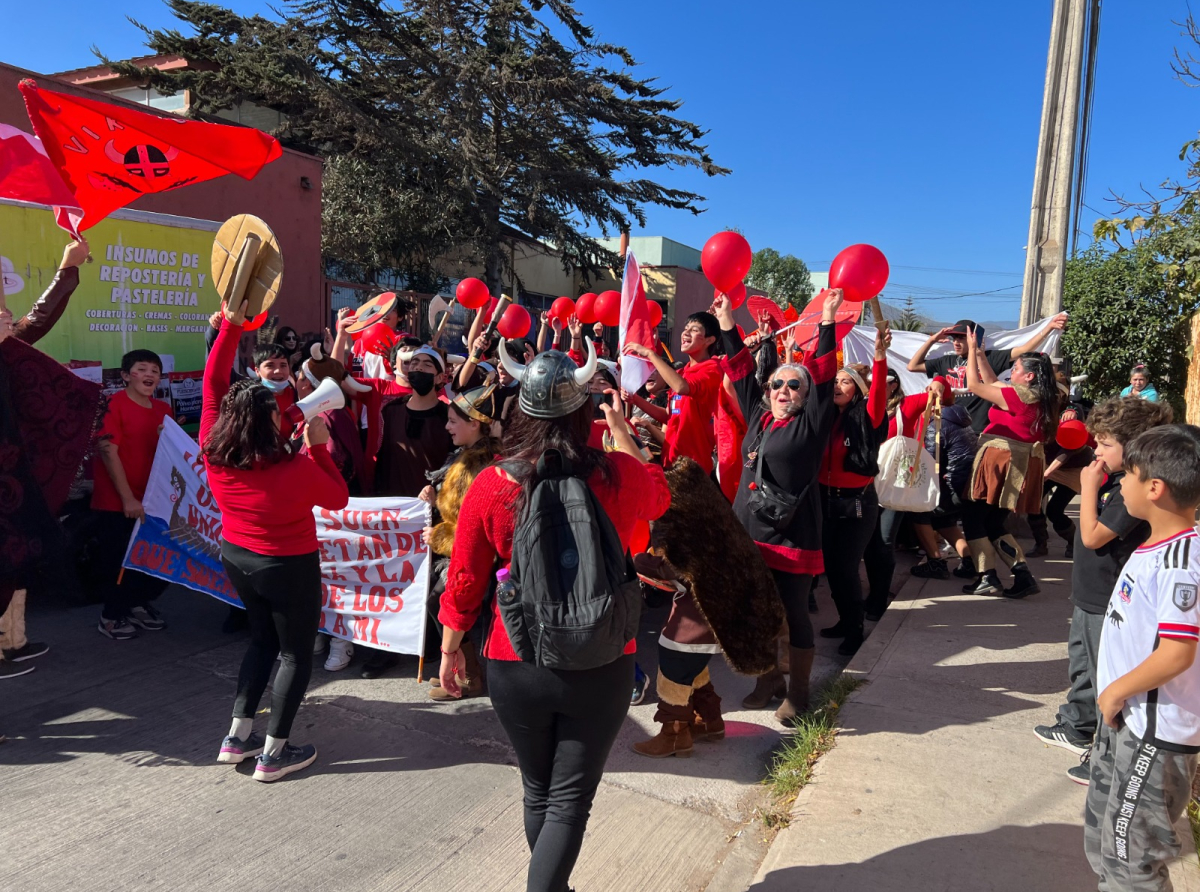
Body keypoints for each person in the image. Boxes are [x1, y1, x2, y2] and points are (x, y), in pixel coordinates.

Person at [438, 340, 669, 892]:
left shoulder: (493, 484)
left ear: (521, 410)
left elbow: (466, 579)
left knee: (538, 789)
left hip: (514, 658)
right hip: (603, 657)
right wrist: (622, 440)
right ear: (584, 411)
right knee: (569, 800)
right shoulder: (619, 475)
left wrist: (449, 650)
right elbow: (660, 498)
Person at [203, 297, 350, 782]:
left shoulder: (214, 444)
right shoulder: (295, 467)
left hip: (237, 557)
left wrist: (229, 326)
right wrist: (320, 446)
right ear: (266, 420)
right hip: (287, 564)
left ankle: (237, 737)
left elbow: (213, 382)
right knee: (293, 653)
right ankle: (273, 754)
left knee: (261, 642)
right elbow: (338, 499)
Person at [715, 288, 840, 721]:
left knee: (792, 614)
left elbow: (824, 374)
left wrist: (826, 321)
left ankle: (799, 693)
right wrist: (728, 323)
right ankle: (768, 679)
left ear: (804, 394)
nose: (783, 389)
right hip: (750, 534)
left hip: (792, 535)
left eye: (794, 384)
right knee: (755, 610)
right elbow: (739, 369)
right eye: (778, 384)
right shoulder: (760, 416)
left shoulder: (812, 423)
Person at [1033, 396, 1173, 784]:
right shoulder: (1114, 479)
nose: (1096, 449)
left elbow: (1094, 535)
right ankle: (1077, 724)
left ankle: (1106, 759)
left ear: (1133, 446)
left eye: (1105, 443)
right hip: (1088, 595)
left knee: (1106, 677)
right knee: (1082, 662)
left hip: (1108, 598)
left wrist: (1087, 487)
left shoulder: (1130, 490)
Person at [1085, 424, 1200, 889]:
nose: (1119, 483)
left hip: (1154, 733)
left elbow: (1176, 654)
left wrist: (1116, 691)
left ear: (1155, 488)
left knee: (1132, 858)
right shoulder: (1155, 546)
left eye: (1126, 475)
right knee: (1108, 839)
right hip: (1126, 721)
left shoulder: (1179, 565)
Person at [0, 238, 93, 678]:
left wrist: (66, 269)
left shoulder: (9, 347)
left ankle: (12, 642)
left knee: (18, 556)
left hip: (13, 477)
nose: (6, 319)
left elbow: (35, 320)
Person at [960, 329, 1058, 598]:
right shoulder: (1035, 396)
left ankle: (987, 576)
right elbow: (992, 381)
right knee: (993, 523)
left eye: (1015, 368)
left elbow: (975, 386)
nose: (1011, 372)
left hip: (1002, 460)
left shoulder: (1020, 396)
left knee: (973, 517)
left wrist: (969, 354)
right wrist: (979, 354)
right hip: (1018, 463)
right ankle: (1022, 575)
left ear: (1029, 376)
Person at [422, 382, 501, 700]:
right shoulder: (463, 455)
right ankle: (461, 669)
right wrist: (432, 494)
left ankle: (468, 675)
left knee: (443, 605)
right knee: (437, 605)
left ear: (474, 424)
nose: (447, 426)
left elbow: (476, 528)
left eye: (453, 421)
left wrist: (440, 536)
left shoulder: (481, 466)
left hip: (471, 557)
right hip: (455, 551)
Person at [91, 349, 174, 639]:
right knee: (119, 564)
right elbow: (107, 450)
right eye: (142, 369)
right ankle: (111, 616)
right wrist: (127, 498)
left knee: (151, 562)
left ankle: (136, 604)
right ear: (126, 375)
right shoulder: (113, 405)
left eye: (155, 370)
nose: (150, 375)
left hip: (153, 502)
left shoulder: (164, 410)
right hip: (117, 503)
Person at [818, 329, 891, 656]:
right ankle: (845, 620)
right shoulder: (826, 417)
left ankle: (855, 627)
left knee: (846, 567)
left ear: (858, 391)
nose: (837, 385)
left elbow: (878, 394)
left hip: (857, 504)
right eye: (836, 381)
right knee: (831, 567)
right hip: (825, 500)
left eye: (845, 382)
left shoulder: (867, 416)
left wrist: (879, 356)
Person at [907, 315, 1067, 433]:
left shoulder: (990, 358)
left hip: (978, 430)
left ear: (974, 338)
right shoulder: (945, 361)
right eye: (953, 337)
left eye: (962, 338)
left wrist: (1049, 328)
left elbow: (1024, 350)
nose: (956, 342)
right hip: (949, 426)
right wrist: (931, 341)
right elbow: (912, 366)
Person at [623, 311, 724, 475]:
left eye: (694, 329)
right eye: (686, 328)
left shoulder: (712, 368)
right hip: (670, 461)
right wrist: (635, 399)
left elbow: (682, 388)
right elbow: (670, 417)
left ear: (709, 340)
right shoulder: (682, 372)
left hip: (693, 466)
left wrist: (650, 354)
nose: (686, 332)